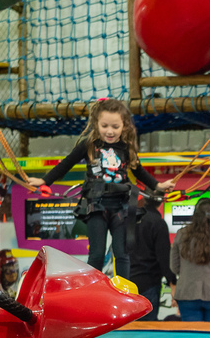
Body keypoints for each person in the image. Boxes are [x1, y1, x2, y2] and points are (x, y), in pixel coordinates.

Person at [26, 99, 174, 277]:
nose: (110, 131)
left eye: (115, 126)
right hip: (97, 206)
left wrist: (158, 185)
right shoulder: (89, 145)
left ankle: (123, 290)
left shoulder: (126, 148)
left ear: (124, 126)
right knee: (96, 253)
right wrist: (45, 181)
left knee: (122, 253)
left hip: (120, 207)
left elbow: (139, 171)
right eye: (104, 126)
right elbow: (66, 164)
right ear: (96, 124)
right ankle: (94, 289)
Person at [170, 197, 210, 322]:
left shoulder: (181, 234)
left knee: (192, 337)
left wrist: (188, 273)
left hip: (187, 293)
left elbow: (174, 266)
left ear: (195, 214)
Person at [130, 191, 176, 320]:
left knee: (130, 329)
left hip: (127, 282)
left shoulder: (128, 220)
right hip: (149, 283)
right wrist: (172, 282)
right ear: (161, 201)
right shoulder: (158, 223)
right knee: (147, 330)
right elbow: (164, 256)